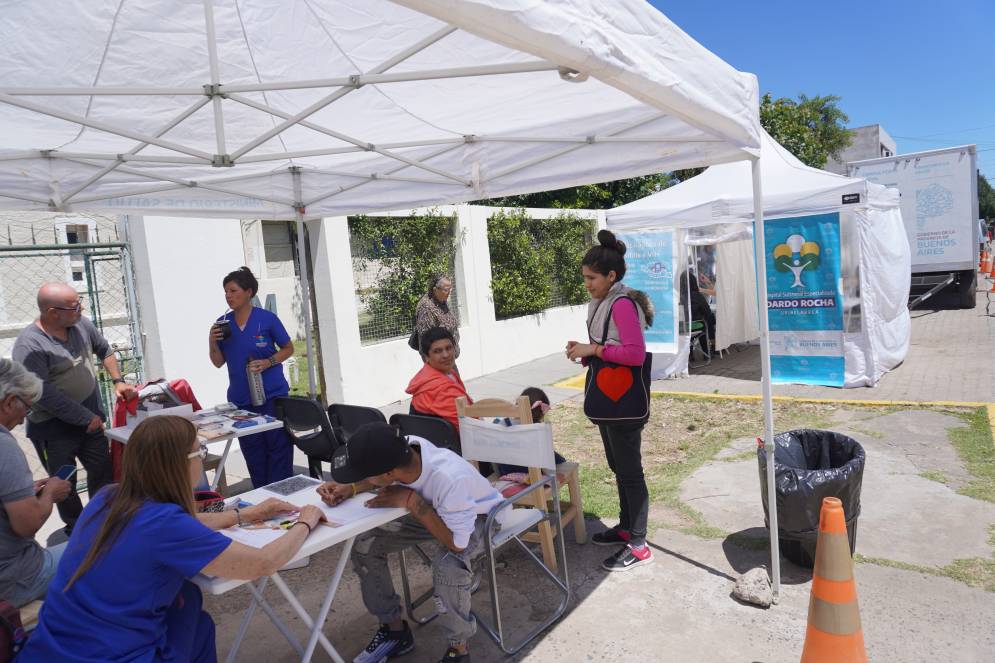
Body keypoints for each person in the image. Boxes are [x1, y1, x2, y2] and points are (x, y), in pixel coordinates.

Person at [19, 415, 324, 663]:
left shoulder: (108, 498)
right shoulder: (166, 524)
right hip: (110, 654)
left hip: (50, 646)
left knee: (188, 603)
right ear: (179, 463)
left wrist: (243, 515)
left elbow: (180, 523)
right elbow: (262, 562)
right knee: (193, 614)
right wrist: (306, 521)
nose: (202, 458)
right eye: (199, 452)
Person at [317, 422, 507, 663]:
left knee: (448, 566)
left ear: (387, 474)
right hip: (435, 508)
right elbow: (386, 475)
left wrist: (411, 500)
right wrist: (352, 487)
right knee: (366, 545)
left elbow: (457, 544)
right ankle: (395, 632)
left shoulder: (449, 479)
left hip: (480, 517)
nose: (363, 478)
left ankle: (458, 649)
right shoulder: (404, 448)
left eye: (363, 474)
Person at [11, 282, 137, 534]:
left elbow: (105, 350)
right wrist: (82, 417)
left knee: (102, 474)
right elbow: (42, 393)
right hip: (54, 432)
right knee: (63, 484)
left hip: (91, 425)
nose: (80, 309)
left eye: (79, 302)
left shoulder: (81, 324)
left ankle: (104, 524)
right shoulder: (30, 346)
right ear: (51, 312)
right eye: (73, 306)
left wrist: (118, 381)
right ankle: (78, 531)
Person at [566, 229, 654, 572]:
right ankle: (626, 527)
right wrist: (586, 353)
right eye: (585, 278)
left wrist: (594, 349)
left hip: (624, 404)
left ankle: (640, 542)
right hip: (610, 400)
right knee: (619, 467)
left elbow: (634, 354)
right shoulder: (604, 302)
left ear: (611, 276)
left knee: (631, 471)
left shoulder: (621, 304)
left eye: (592, 278)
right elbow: (608, 347)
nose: (587, 284)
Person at [209, 266, 295, 487]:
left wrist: (269, 362)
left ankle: (283, 492)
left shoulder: (267, 319)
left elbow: (288, 348)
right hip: (241, 400)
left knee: (278, 447)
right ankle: (262, 494)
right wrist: (211, 341)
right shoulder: (223, 325)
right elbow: (218, 362)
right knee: (253, 450)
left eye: (233, 291)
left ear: (249, 292)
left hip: (272, 395)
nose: (228, 296)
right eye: (226, 292)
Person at [0, 359, 72, 607]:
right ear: (9, 402)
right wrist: (49, 494)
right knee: (100, 549)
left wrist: (22, 494)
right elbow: (26, 525)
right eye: (26, 409)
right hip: (13, 580)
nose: (22, 421)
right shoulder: (4, 447)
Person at [406, 326, 472, 433]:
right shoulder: (439, 389)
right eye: (437, 351)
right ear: (426, 357)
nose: (446, 355)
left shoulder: (431, 376)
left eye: (449, 348)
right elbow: (470, 427)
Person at [493, 387, 566, 477]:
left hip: (506, 471)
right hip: (530, 473)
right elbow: (546, 462)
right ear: (541, 413)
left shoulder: (502, 424)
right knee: (556, 458)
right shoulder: (537, 429)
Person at [413, 274, 460, 357]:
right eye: (446, 290)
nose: (449, 292)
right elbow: (426, 339)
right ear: (435, 290)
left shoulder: (441, 301)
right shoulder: (426, 308)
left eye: (450, 289)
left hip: (447, 356)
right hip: (438, 360)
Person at [679, 269, 716, 355]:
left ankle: (690, 355)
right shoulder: (697, 296)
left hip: (682, 328)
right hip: (697, 326)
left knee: (689, 329)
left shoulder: (678, 297)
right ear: (694, 282)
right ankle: (706, 353)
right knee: (707, 321)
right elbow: (707, 311)